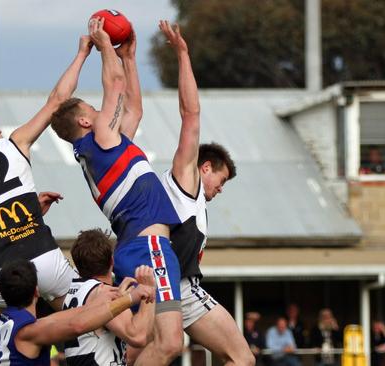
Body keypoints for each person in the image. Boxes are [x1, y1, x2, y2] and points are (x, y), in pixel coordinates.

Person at [0, 35, 95, 365]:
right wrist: (82, 53)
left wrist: (28, 212)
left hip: (2, 273)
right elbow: (57, 101)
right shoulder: (13, 144)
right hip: (46, 260)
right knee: (87, 326)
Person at [49, 18, 182, 366]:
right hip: (149, 247)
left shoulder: (102, 149)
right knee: (169, 344)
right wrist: (106, 44)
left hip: (133, 247)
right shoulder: (98, 140)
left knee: (142, 340)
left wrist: (130, 57)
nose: (100, 110)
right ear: (84, 122)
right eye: (93, 110)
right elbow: (117, 86)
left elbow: (133, 109)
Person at [124, 20, 249, 366]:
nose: (219, 190)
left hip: (169, 285)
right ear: (204, 167)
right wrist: (182, 54)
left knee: (239, 358)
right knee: (231, 357)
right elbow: (190, 114)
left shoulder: (186, 198)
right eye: (220, 182)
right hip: (168, 286)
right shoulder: (186, 180)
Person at [0, 259, 154, 365]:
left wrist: (105, 299)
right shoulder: (28, 331)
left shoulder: (3, 322)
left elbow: (60, 318)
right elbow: (77, 325)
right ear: (36, 291)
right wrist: (130, 298)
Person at [63, 228, 156, 365]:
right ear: (112, 261)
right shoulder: (103, 293)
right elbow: (138, 336)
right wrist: (148, 291)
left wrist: (124, 299)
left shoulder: (74, 291)